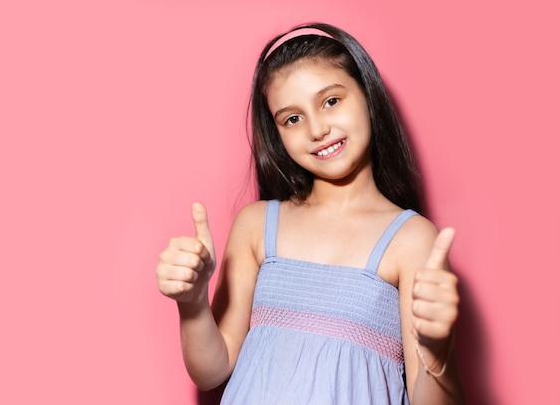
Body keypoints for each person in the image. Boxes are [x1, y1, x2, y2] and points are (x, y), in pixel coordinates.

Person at [156, 22, 465, 404]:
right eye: (292, 118)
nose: (317, 129)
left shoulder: (412, 240)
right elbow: (212, 371)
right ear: (277, 134)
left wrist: (437, 351)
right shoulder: (256, 226)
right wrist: (192, 303)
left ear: (367, 96)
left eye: (331, 101)